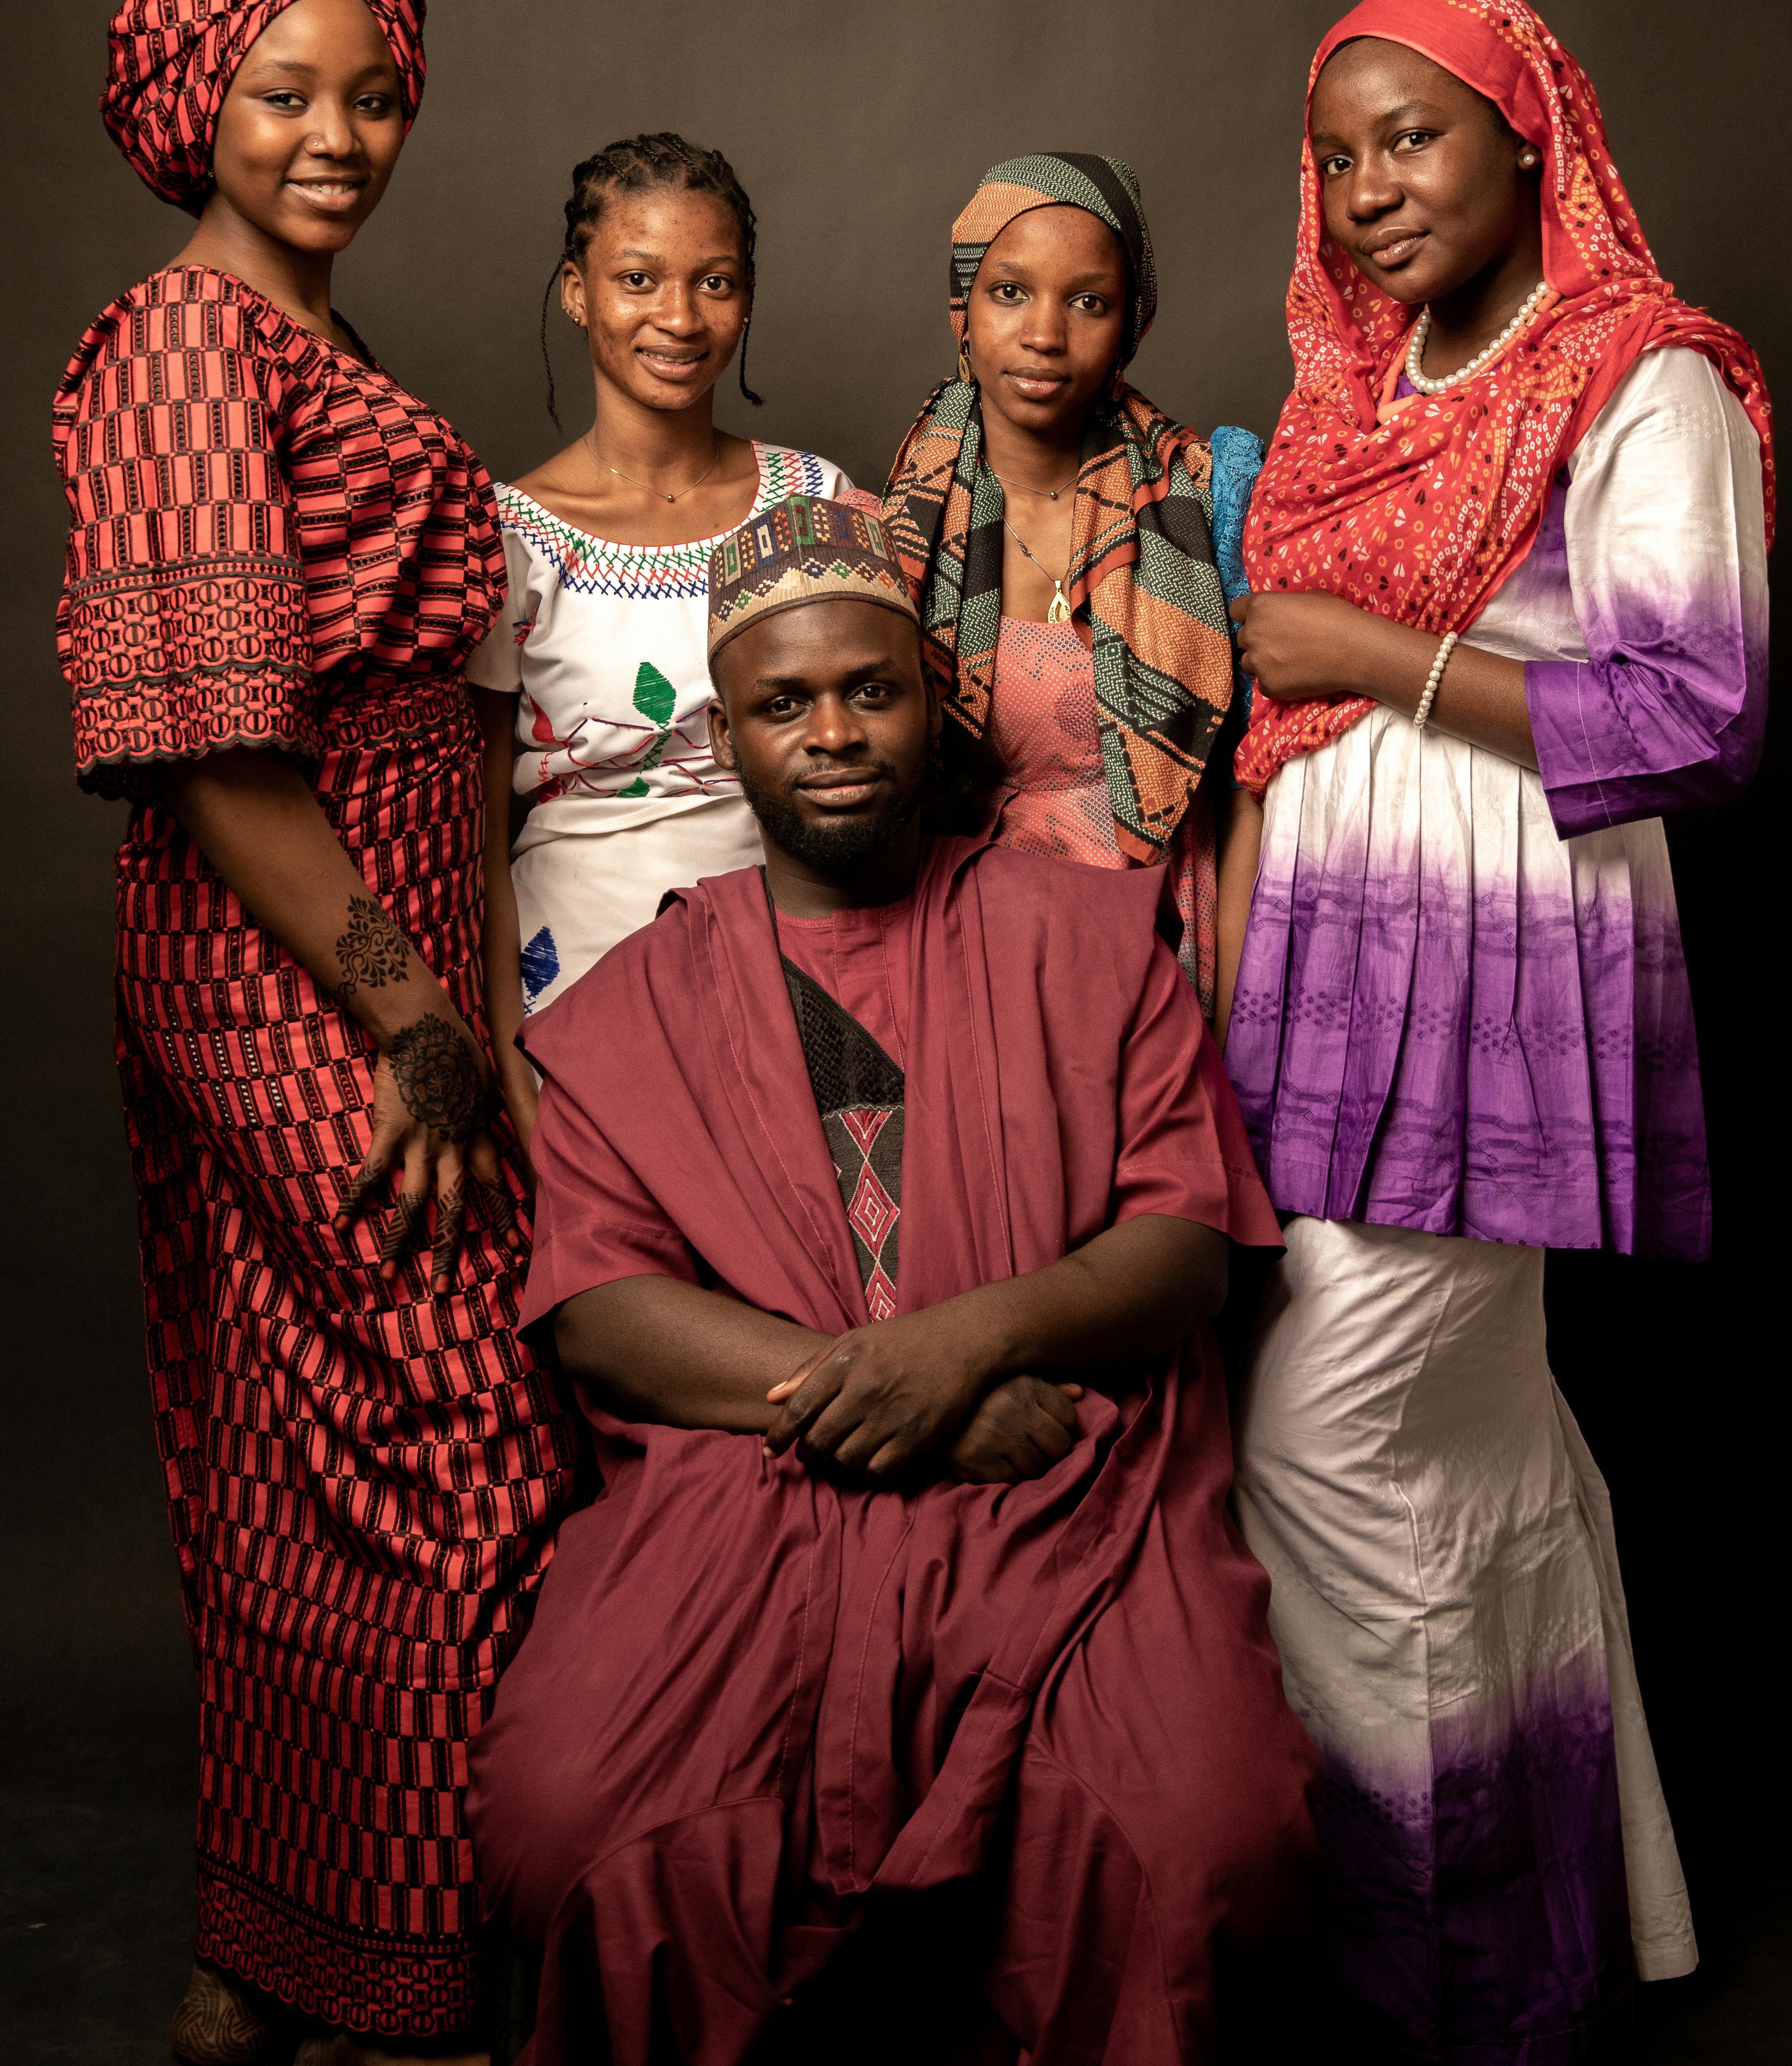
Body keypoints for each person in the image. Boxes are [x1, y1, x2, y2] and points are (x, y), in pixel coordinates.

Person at [468, 496, 1321, 2066]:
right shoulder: (628, 1009)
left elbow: (1186, 1239)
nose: (835, 733)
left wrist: (972, 1346)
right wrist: (907, 1400)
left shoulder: (1090, 938)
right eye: (785, 705)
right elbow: (599, 1306)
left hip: (1068, 1474)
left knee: (1201, 1833)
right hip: (750, 1488)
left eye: (872, 690)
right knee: (571, 1821)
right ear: (726, 738)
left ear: (935, 703)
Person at [55, 0, 582, 2066]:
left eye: (372, 97)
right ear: (201, 98)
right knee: (463, 1431)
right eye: (286, 92)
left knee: (301, 1454)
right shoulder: (186, 336)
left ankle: (270, 1955)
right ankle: (417, 1987)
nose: (337, 136)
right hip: (286, 934)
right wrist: (416, 1018)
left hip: (375, 917)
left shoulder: (317, 339)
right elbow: (203, 746)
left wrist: (465, 982)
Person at [1221, 0, 1772, 2058]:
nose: (1368, 188)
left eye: (1412, 137)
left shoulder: (1644, 377)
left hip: (1502, 980)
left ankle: (1426, 1963)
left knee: (1332, 1439)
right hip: (1340, 972)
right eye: (1337, 152)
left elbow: (1697, 713)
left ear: (1529, 130)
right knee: (1486, 1447)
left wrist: (1370, 645)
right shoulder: (1370, 397)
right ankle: (1581, 1922)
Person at [466, 132, 851, 1150]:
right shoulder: (507, 539)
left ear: (748, 296)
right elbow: (473, 844)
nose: (678, 318)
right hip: (578, 985)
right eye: (637, 279)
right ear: (576, 291)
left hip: (798, 971)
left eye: (713, 282)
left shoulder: (815, 508)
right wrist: (511, 1053)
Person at [882, 153, 1262, 1029]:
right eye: (1009, 292)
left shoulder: (1209, 499)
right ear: (964, 310)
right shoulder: (907, 520)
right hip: (967, 961)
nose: (1044, 335)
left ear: (1132, 321)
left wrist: (1233, 1022)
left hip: (1165, 954)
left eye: (1087, 301)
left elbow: (1252, 786)